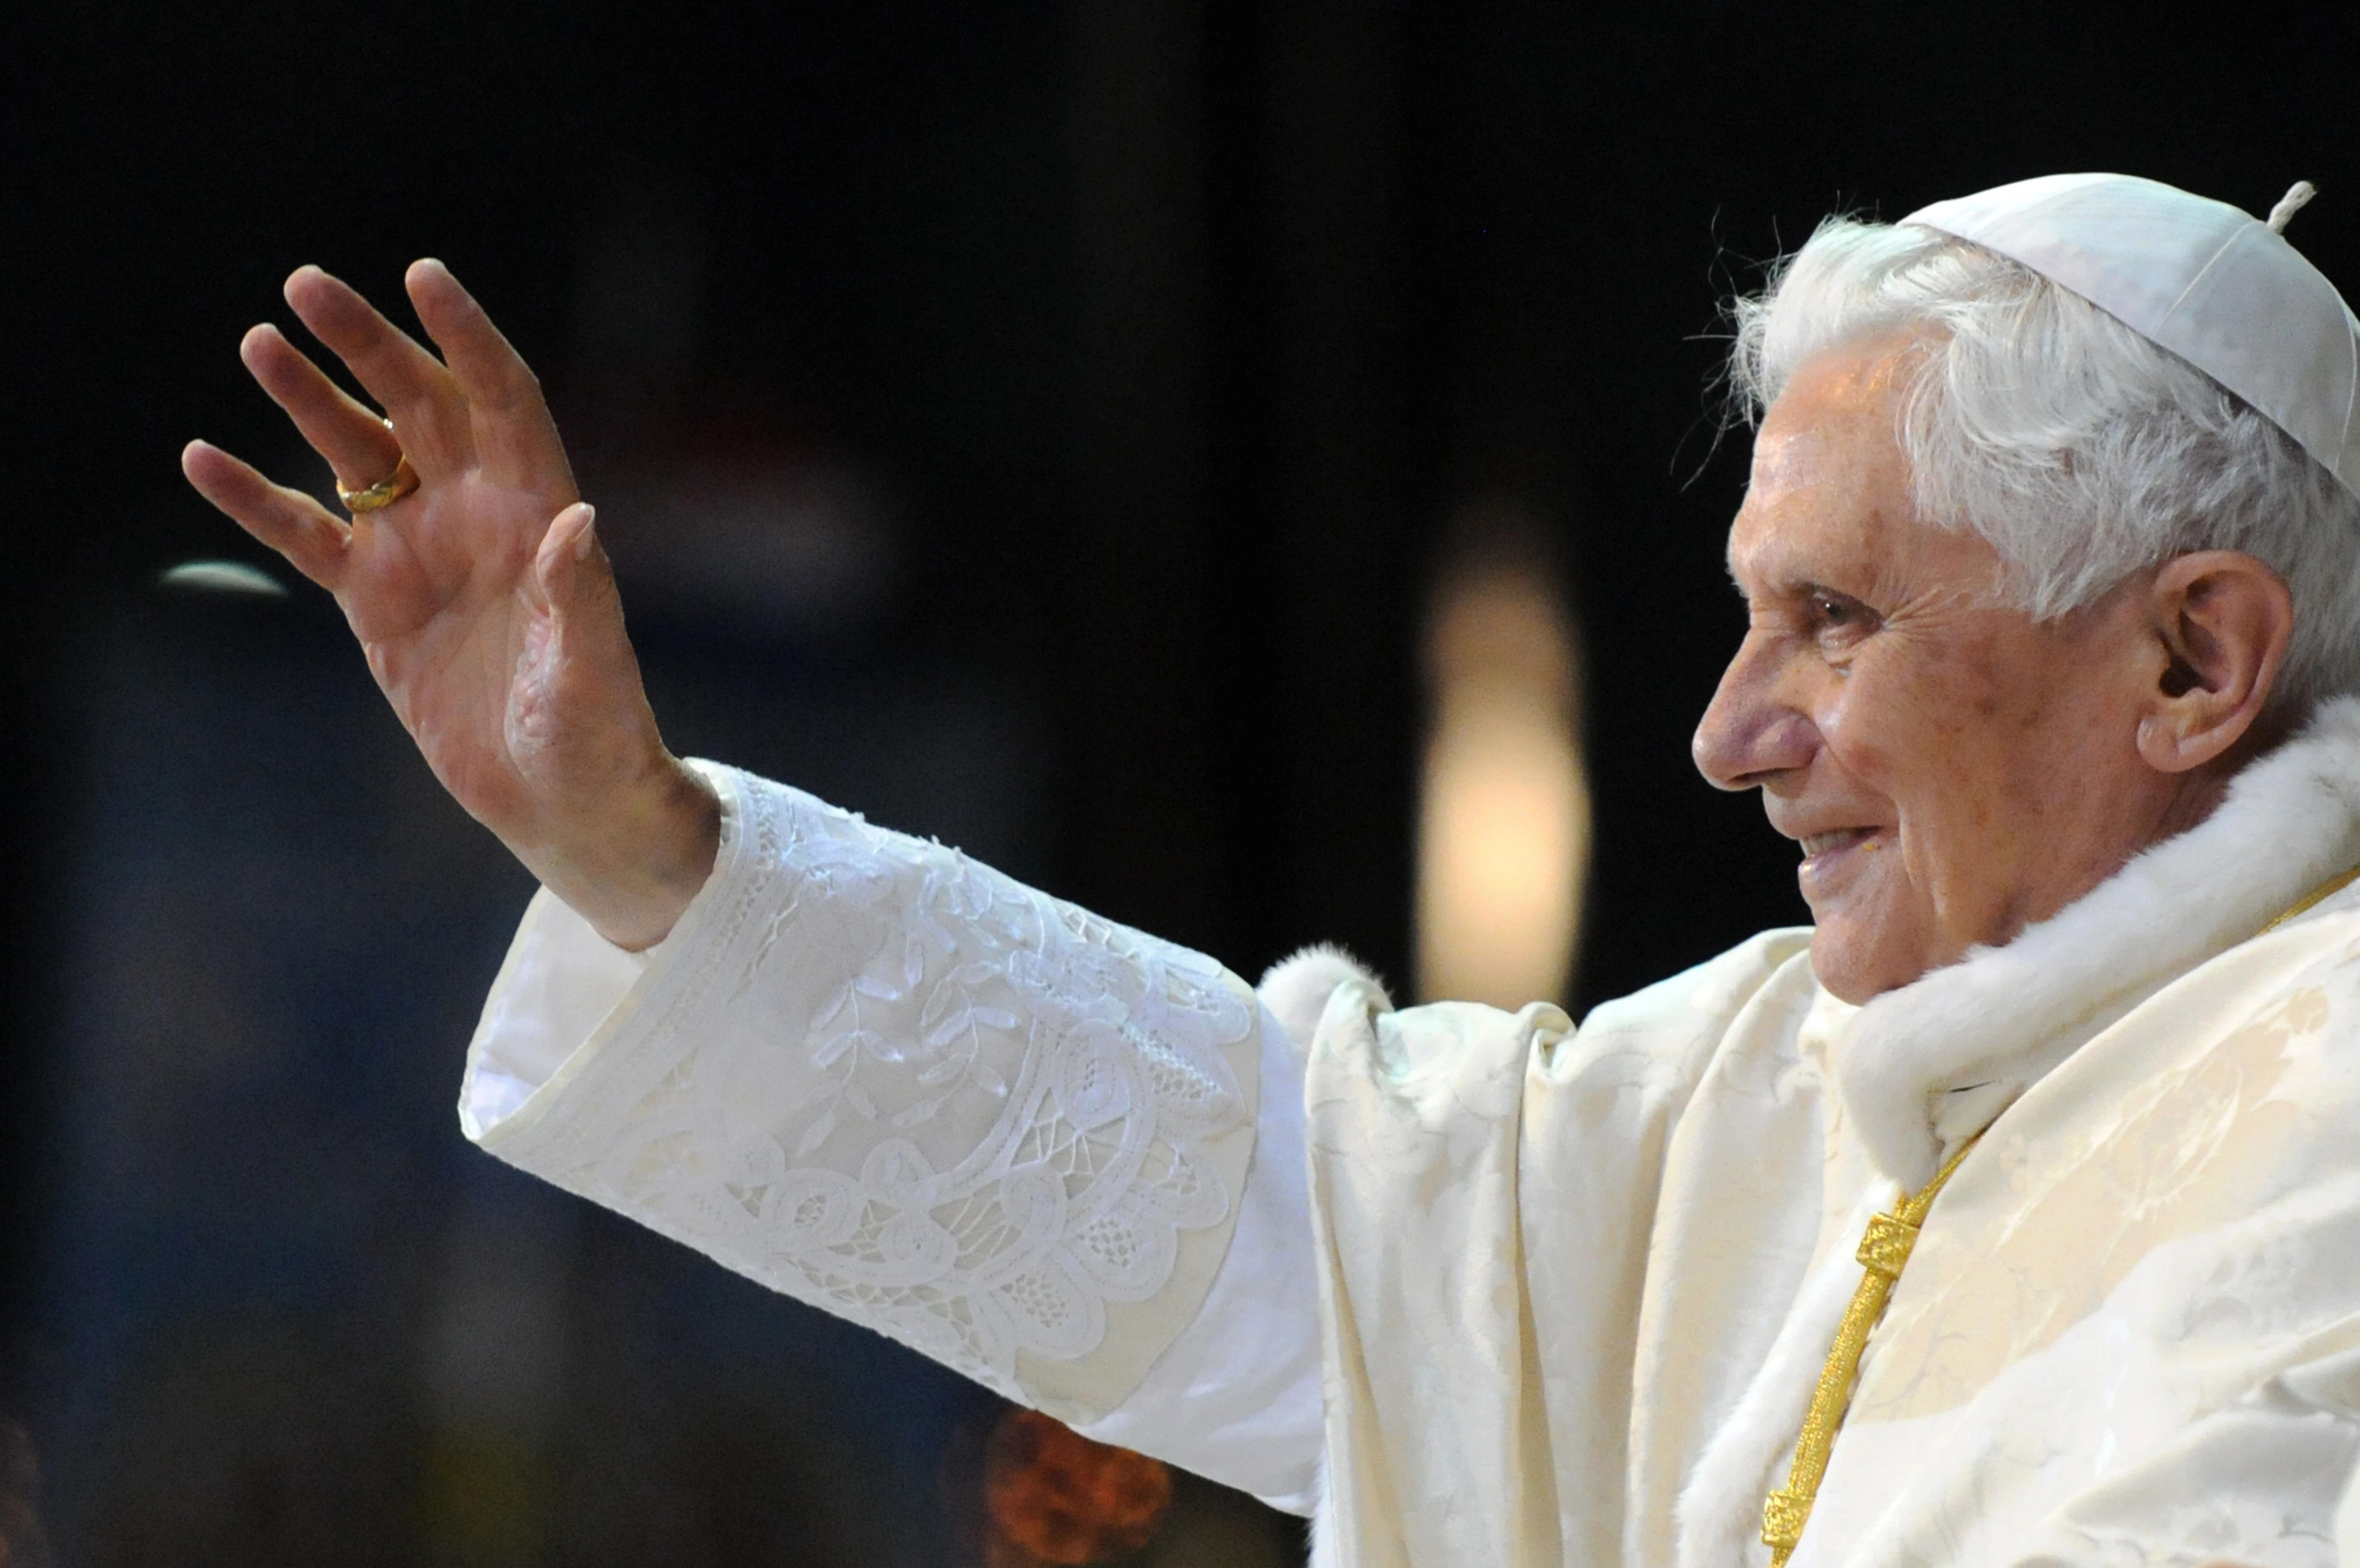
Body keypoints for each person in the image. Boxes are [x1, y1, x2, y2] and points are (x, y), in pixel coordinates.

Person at [185, 172, 2360, 1568]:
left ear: (2187, 660)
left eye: (1838, 621)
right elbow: (1267, 1191)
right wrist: (639, 842)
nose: (1727, 735)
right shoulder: (1751, 1091)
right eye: (1741, 614)